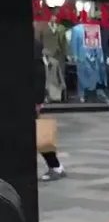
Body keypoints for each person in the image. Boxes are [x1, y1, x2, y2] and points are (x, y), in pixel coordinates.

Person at [34, 38, 66, 181]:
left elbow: (38, 74)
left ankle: (55, 166)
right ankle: (55, 166)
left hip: (24, 98)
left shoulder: (31, 45)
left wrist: (38, 100)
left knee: (38, 135)